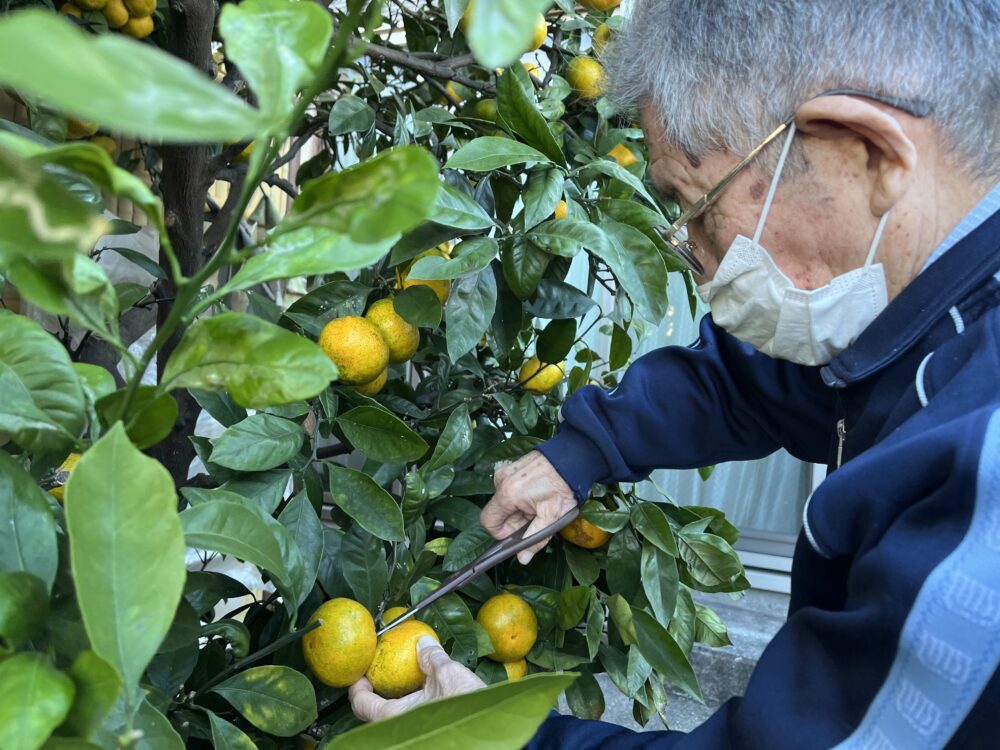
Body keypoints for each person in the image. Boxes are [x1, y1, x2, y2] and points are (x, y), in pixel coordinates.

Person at [349, 1, 1000, 746]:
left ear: (867, 154)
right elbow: (765, 381)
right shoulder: (922, 306)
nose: (695, 256)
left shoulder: (984, 474)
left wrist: (489, 735)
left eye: (699, 206)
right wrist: (585, 451)